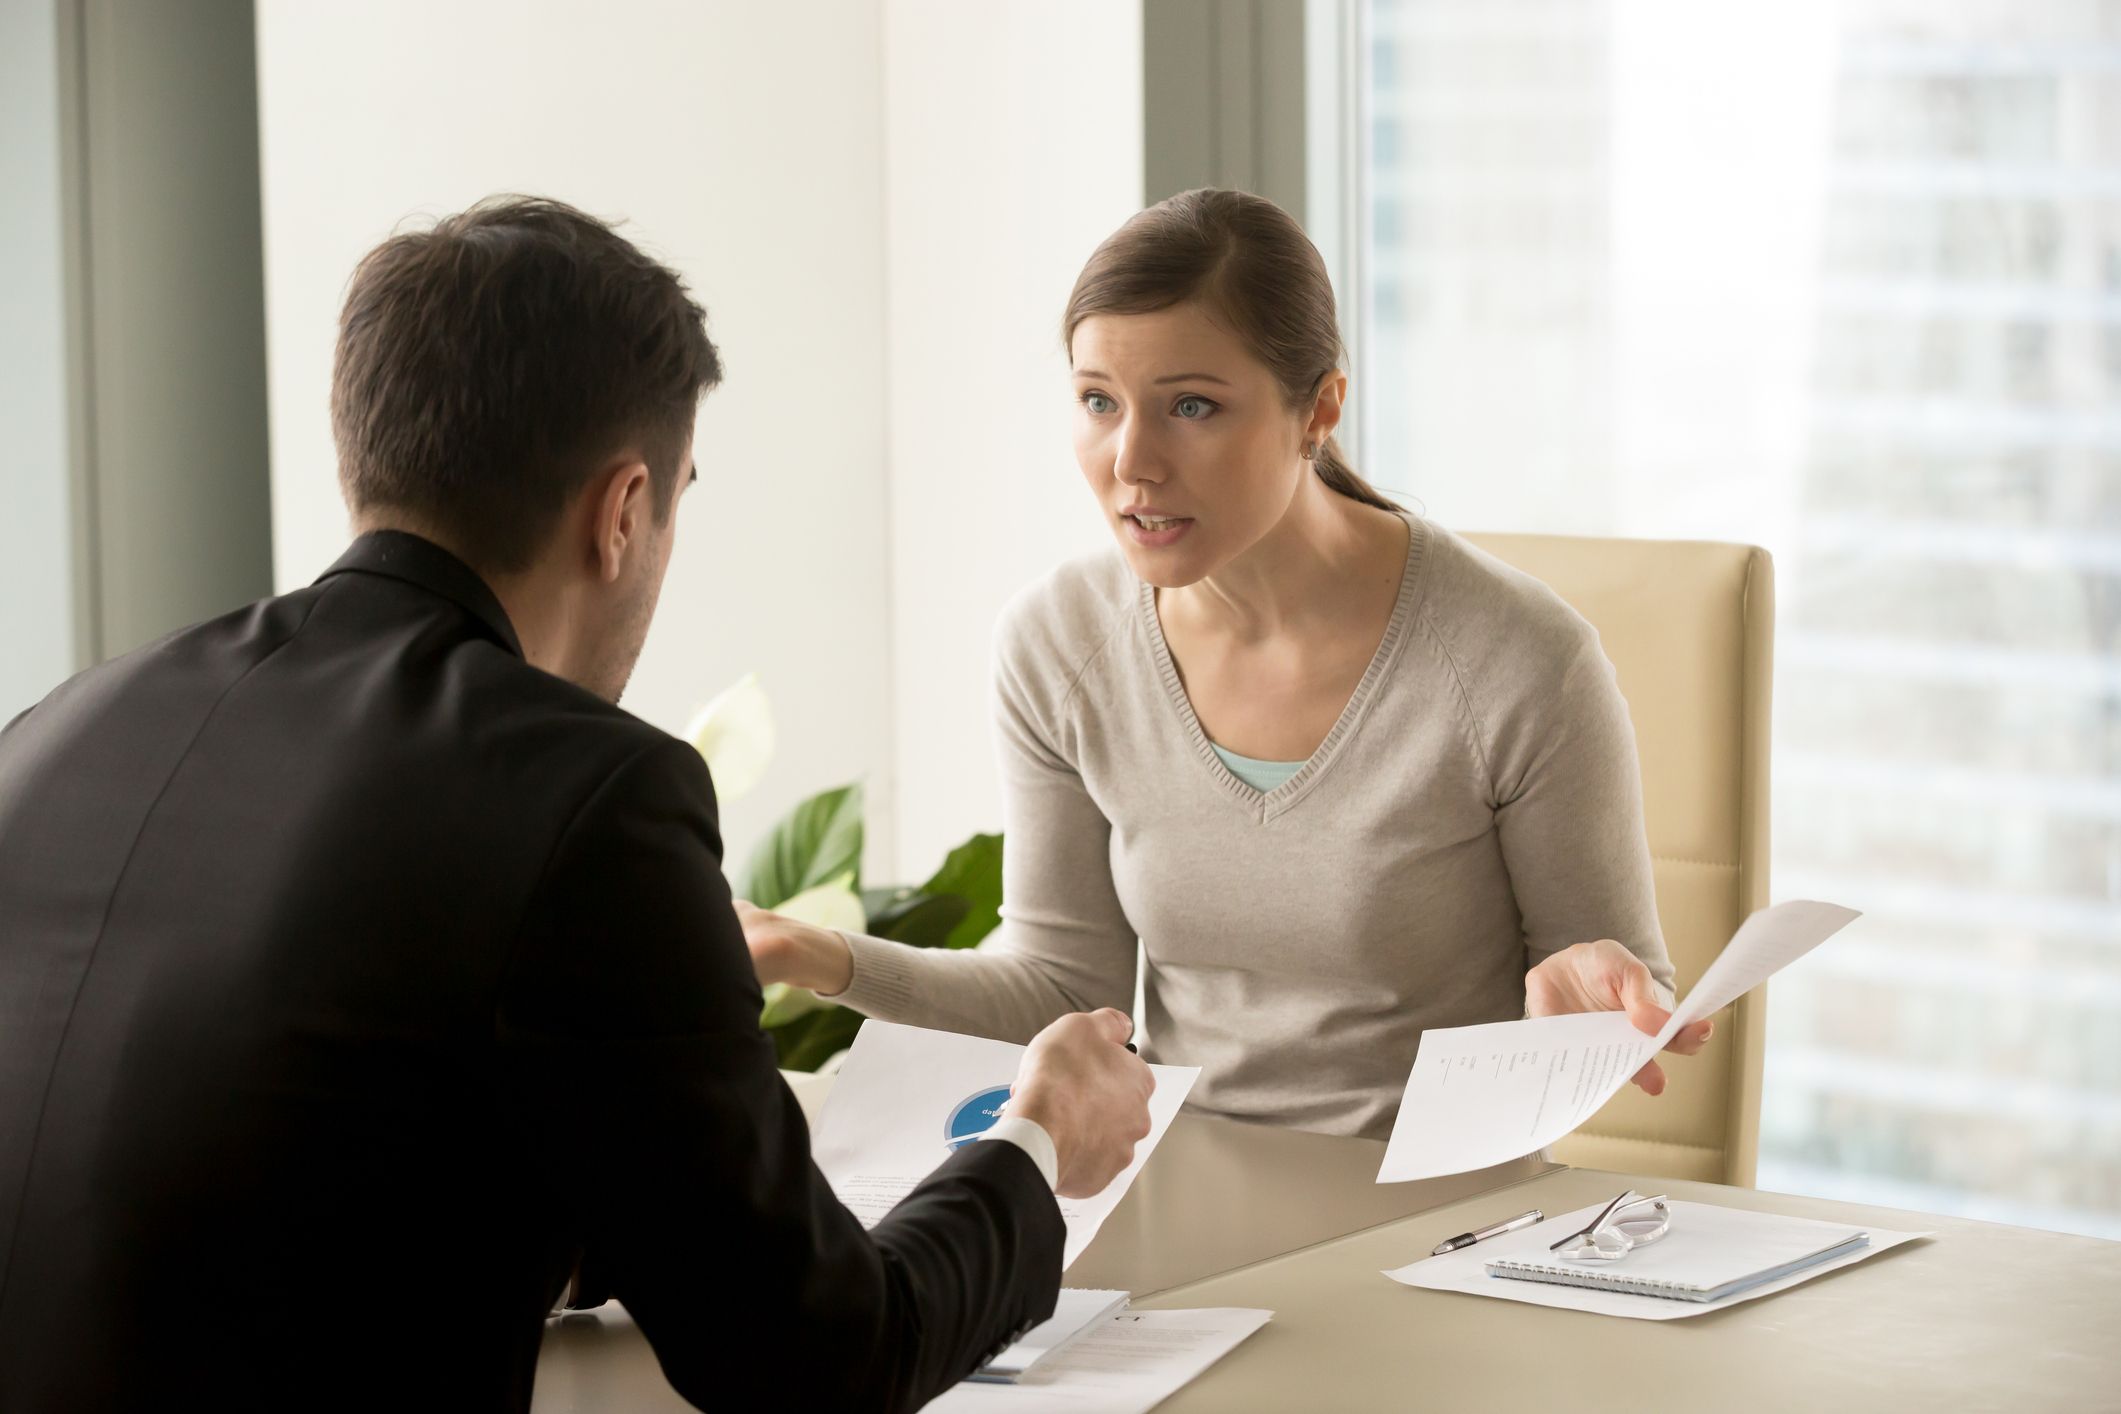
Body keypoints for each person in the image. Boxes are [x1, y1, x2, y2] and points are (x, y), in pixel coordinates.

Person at [0, 196, 1152, 1413]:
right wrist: (1030, 1144)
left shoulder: (60, 727)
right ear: (621, 512)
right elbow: (818, 1357)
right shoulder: (588, 794)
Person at [742, 188, 1711, 1140]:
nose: (1132, 462)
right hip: (1177, 1204)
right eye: (1097, 402)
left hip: (1434, 1223)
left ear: (1319, 409)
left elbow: (1621, 994)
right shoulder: (1058, 646)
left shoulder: (1519, 663)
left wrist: (1578, 1022)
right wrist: (814, 955)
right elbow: (1062, 989)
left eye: (1192, 406)